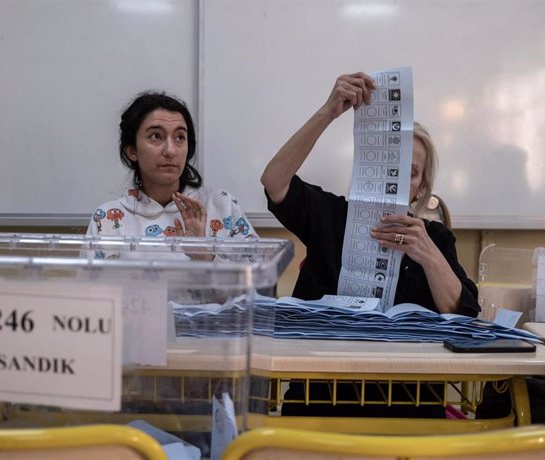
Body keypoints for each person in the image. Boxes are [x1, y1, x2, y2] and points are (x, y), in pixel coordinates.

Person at [261, 71, 480, 417]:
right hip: (322, 399)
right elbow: (274, 181)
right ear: (366, 166)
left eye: (409, 172)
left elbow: (463, 316)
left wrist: (429, 256)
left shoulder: (435, 238)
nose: (394, 178)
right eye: (389, 163)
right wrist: (328, 112)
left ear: (420, 188)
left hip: (411, 405)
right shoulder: (332, 217)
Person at [87, 91, 255, 242]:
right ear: (132, 150)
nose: (170, 151)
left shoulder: (221, 206)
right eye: (155, 136)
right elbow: (91, 277)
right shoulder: (108, 218)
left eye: (180, 137)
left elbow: (257, 273)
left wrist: (205, 255)